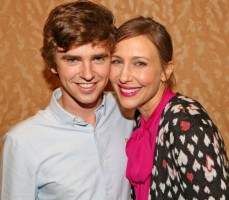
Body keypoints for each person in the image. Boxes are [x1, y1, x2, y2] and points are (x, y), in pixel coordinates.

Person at [0, 1, 134, 199]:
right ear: (53, 64)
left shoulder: (129, 110)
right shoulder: (23, 142)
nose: (88, 74)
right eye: (72, 60)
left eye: (98, 58)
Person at [110, 16, 229, 200]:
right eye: (117, 61)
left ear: (166, 71)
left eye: (139, 63)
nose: (124, 76)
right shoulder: (140, 119)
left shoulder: (185, 122)